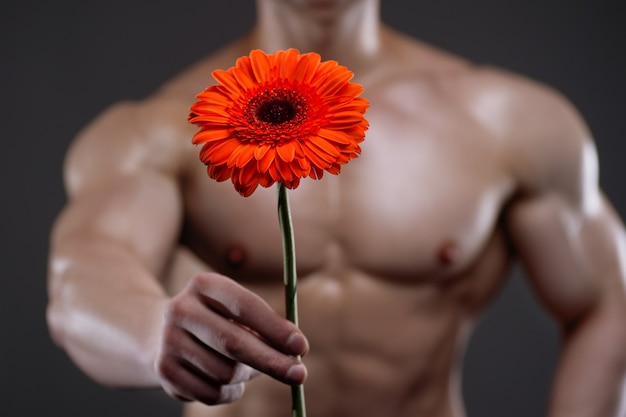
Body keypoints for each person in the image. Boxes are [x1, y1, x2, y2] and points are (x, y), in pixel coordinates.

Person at [46, 0, 626, 416]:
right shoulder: (162, 129)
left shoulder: (509, 120)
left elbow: (610, 298)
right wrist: (152, 334)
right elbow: (83, 279)